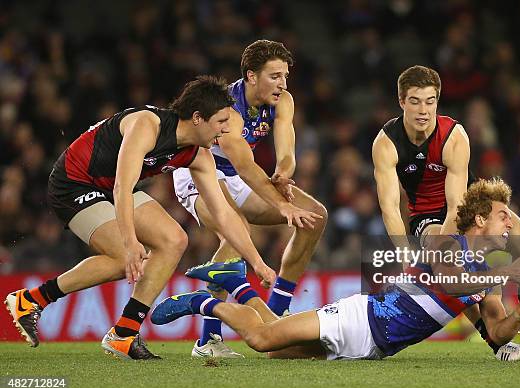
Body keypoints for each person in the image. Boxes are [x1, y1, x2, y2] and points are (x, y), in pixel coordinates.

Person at [4, 75, 318, 360]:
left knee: (174, 240)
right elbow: (122, 187)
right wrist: (129, 243)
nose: (226, 130)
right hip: (74, 183)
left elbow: (224, 215)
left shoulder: (198, 154)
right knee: (119, 259)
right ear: (198, 118)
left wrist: (258, 263)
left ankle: (123, 333)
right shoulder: (147, 124)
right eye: (222, 121)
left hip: (110, 186)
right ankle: (31, 300)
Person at [150, 178, 520, 361]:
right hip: (358, 320)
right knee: (261, 340)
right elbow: (450, 282)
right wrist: (507, 276)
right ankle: (203, 302)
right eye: (503, 216)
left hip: (375, 347)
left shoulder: (487, 278)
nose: (510, 224)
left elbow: (496, 331)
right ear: (478, 219)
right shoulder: (443, 242)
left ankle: (236, 284)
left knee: (277, 350)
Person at [371, 65, 520, 360]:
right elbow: (389, 207)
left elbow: (457, 203)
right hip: (426, 215)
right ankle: (496, 341)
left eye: (430, 101)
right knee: (449, 258)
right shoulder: (386, 143)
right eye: (415, 101)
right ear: (401, 102)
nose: (423, 110)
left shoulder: (453, 135)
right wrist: (404, 253)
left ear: (437, 100)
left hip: (466, 202)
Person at [172, 40, 327, 358]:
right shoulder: (228, 109)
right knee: (236, 230)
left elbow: (286, 152)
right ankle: (208, 341)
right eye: (274, 76)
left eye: (285, 76)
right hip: (198, 171)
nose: (282, 84)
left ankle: (278, 312)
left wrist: (283, 173)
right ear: (251, 76)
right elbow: (244, 166)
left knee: (315, 215)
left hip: (238, 178)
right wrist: (282, 204)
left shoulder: (283, 100)